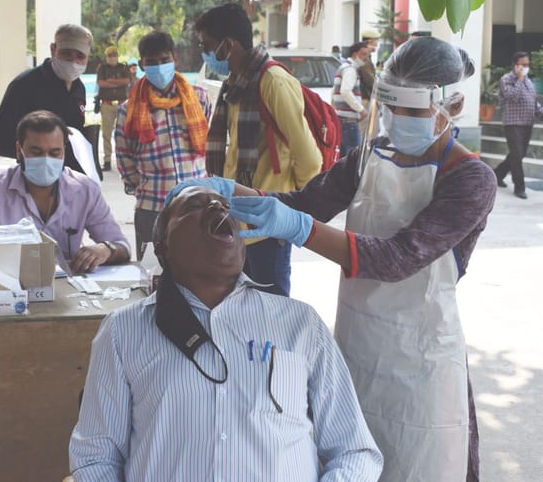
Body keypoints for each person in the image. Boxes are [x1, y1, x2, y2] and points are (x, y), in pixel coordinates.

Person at [169, 36, 496, 482]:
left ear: (452, 107)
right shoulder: (368, 157)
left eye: (411, 111)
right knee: (352, 459)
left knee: (418, 464)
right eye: (391, 107)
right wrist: (229, 191)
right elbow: (306, 204)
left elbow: (398, 258)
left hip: (423, 359)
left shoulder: (471, 179)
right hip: (358, 343)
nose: (397, 120)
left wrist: (299, 229)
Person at [69, 183, 383, 481]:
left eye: (224, 205)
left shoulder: (300, 323)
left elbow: (354, 451)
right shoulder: (123, 332)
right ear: (163, 246)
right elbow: (96, 457)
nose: (218, 209)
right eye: (194, 206)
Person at [194, 3, 322, 297]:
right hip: (239, 221)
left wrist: (291, 206)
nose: (205, 53)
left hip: (268, 225)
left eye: (207, 46)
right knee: (244, 307)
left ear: (228, 44)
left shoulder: (273, 81)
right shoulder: (236, 84)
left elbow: (309, 158)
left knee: (271, 308)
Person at [0, 110, 130, 274]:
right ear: (19, 150)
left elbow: (122, 246)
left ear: (64, 151)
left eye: (55, 153)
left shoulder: (85, 190)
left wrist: (105, 249)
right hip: (10, 284)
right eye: (36, 152)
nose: (46, 160)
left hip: (69, 286)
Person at [115, 31, 211, 260]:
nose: (159, 67)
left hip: (198, 204)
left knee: (199, 269)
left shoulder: (199, 97)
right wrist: (144, 187)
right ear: (141, 64)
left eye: (164, 60)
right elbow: (124, 158)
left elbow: (210, 146)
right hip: (152, 207)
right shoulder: (128, 109)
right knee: (152, 272)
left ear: (175, 59)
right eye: (151, 62)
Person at [0, 24, 93, 176]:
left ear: (88, 57)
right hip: (34, 178)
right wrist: (37, 153)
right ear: (53, 49)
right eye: (66, 53)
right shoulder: (24, 85)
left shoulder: (79, 88)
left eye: (80, 56)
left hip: (71, 179)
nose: (73, 61)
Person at [493, 51, 543, 199]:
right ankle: (519, 187)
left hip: (528, 123)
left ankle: (497, 174)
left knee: (518, 154)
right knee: (517, 154)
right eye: (523, 64)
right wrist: (519, 79)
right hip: (513, 123)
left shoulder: (529, 81)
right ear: (515, 65)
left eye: (527, 64)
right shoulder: (506, 79)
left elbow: (534, 103)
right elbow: (512, 96)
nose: (526, 67)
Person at [331, 41, 370, 158]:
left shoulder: (343, 67)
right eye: (363, 54)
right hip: (349, 122)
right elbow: (345, 91)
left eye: (367, 55)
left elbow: (334, 90)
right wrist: (361, 109)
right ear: (355, 55)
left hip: (341, 119)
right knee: (353, 157)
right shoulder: (350, 69)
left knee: (343, 157)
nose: (366, 58)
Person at [97, 46, 132, 171]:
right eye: (110, 55)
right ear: (106, 57)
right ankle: (107, 161)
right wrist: (118, 83)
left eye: (114, 55)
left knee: (124, 133)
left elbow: (127, 81)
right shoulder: (102, 68)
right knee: (106, 134)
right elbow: (101, 83)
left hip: (122, 104)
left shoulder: (123, 67)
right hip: (107, 104)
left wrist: (111, 81)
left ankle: (125, 161)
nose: (112, 57)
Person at [358, 30, 380, 136]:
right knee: (367, 131)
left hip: (364, 98)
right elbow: (370, 80)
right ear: (371, 42)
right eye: (376, 41)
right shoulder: (365, 58)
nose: (377, 44)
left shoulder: (365, 57)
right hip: (365, 100)